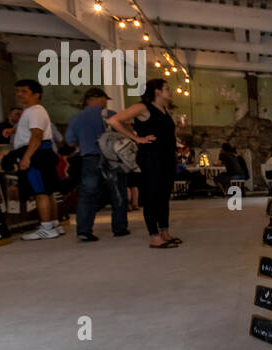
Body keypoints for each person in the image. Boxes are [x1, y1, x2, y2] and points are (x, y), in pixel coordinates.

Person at [108, 79, 180, 249]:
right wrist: (136, 137)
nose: (170, 91)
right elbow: (114, 120)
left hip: (167, 156)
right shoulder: (143, 107)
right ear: (156, 91)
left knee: (164, 196)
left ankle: (164, 231)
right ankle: (154, 236)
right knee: (152, 196)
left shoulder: (164, 109)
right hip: (151, 157)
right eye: (167, 89)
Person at [66, 87, 128, 241]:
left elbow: (70, 140)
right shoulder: (111, 116)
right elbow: (125, 134)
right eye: (104, 99)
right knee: (118, 192)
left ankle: (84, 230)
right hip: (112, 158)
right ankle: (119, 228)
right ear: (97, 98)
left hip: (89, 158)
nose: (105, 102)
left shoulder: (76, 118)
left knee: (87, 194)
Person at [11, 79, 64, 241]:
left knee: (40, 192)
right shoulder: (32, 111)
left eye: (24, 91)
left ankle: (46, 227)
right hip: (41, 152)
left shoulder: (34, 111)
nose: (19, 94)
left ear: (36, 94)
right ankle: (54, 224)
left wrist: (27, 157)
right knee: (48, 191)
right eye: (18, 91)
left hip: (36, 154)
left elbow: (37, 135)